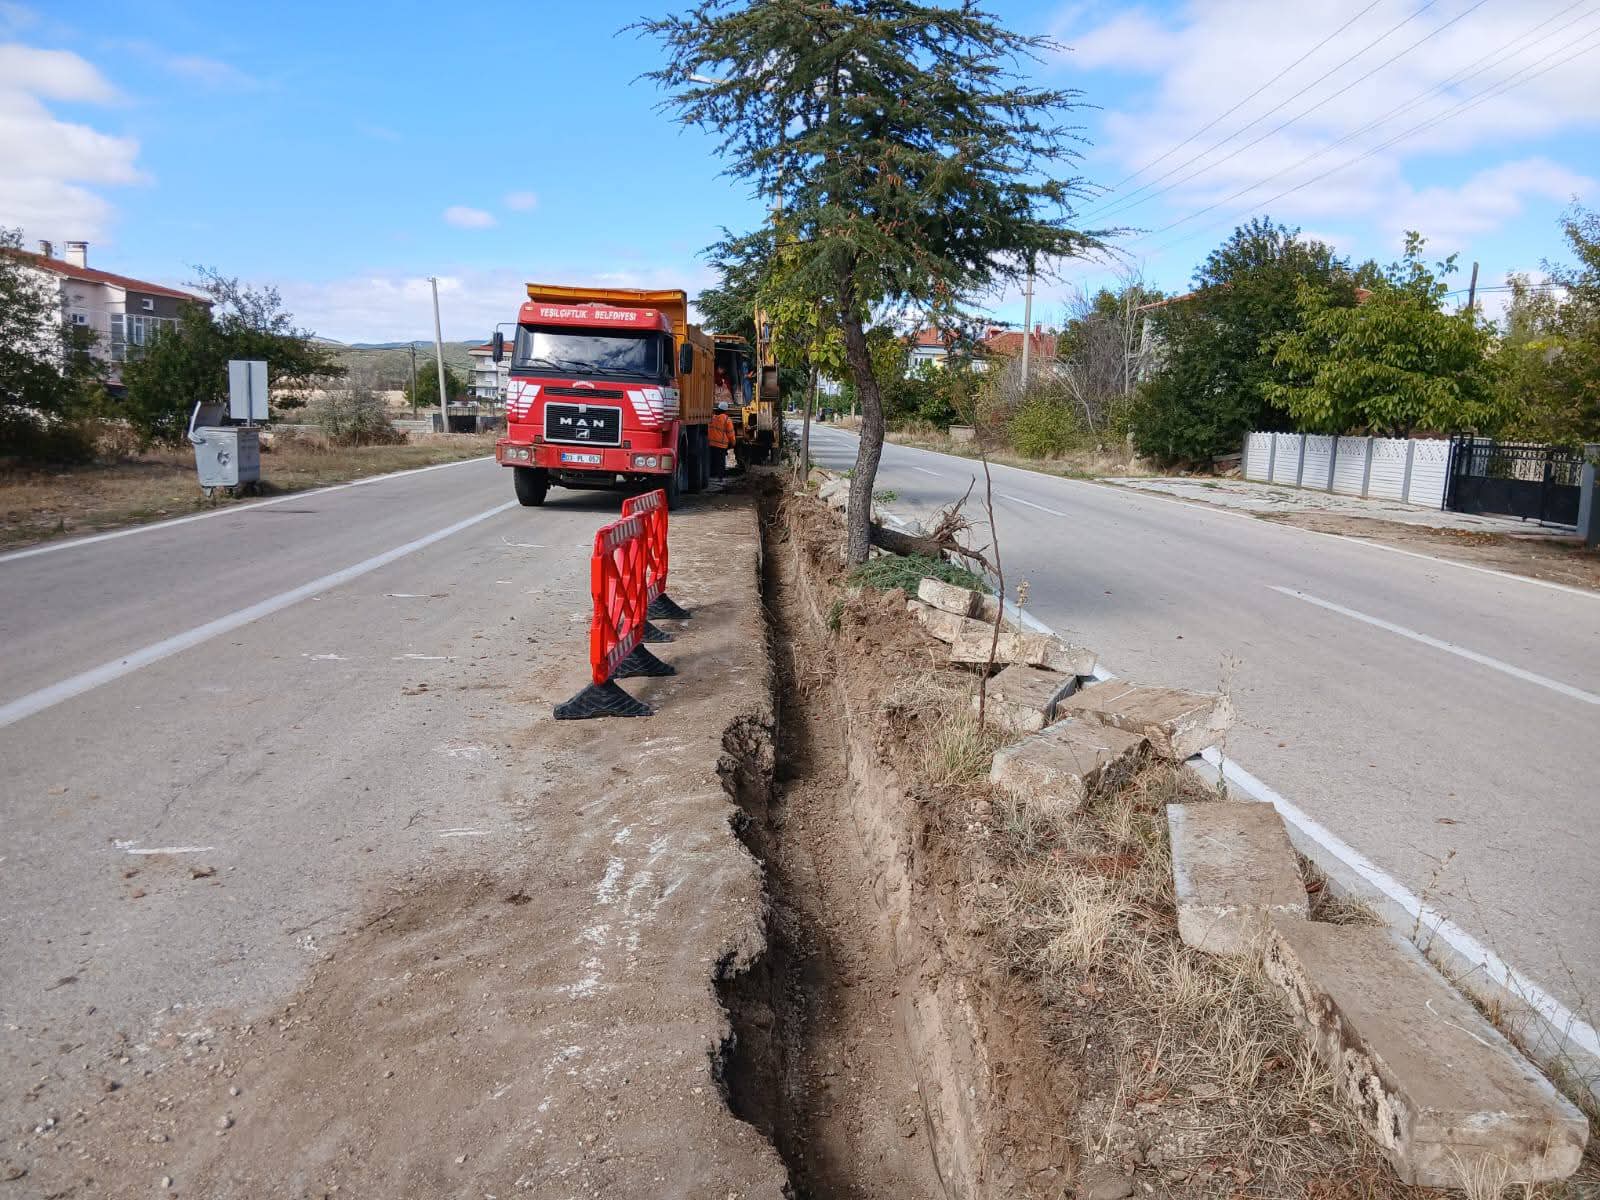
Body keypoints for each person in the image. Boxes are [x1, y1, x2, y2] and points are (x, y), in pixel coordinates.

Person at [709, 402, 736, 479]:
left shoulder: (712, 417)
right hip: (721, 445)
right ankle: (720, 476)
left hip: (711, 443)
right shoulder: (726, 419)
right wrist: (733, 443)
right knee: (720, 461)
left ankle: (712, 474)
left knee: (712, 460)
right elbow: (730, 433)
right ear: (726, 410)